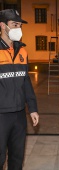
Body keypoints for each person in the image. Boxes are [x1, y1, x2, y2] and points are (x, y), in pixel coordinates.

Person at [0, 9, 39, 170]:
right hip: (1, 116)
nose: (18, 28)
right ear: (2, 25)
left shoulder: (22, 51)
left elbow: (26, 81)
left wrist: (33, 108)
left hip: (19, 115)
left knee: (17, 156)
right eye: (14, 24)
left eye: (19, 25)